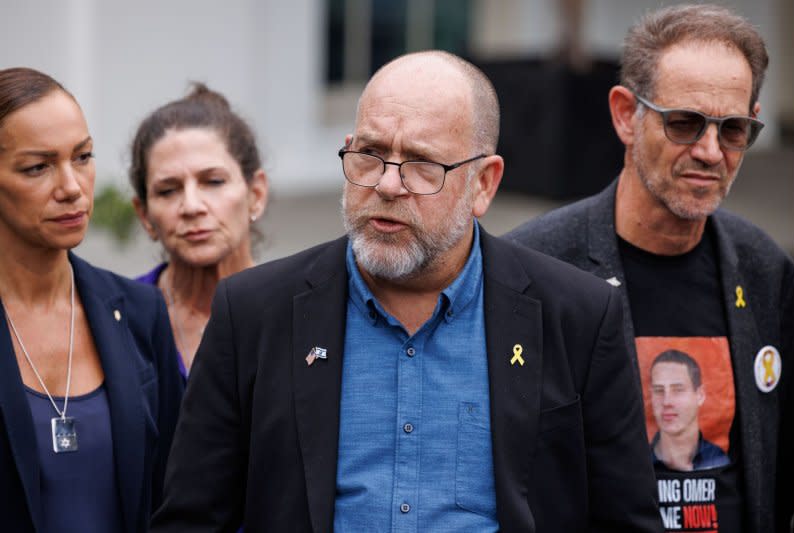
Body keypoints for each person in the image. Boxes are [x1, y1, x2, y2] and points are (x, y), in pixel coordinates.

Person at [151, 50, 661, 532]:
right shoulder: (254, 313)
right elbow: (193, 519)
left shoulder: (577, 316)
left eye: (422, 164)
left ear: (484, 183)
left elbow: (624, 520)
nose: (388, 185)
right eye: (370, 154)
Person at [505, 4, 794, 532]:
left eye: (733, 130)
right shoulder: (531, 269)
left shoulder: (765, 270)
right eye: (685, 123)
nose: (711, 151)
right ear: (625, 115)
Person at [0, 67, 184, 532]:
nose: (72, 187)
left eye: (82, 157)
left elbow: (176, 495)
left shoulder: (140, 313)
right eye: (37, 167)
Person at [130, 84, 268, 377]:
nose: (192, 206)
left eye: (214, 182)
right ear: (144, 214)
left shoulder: (297, 313)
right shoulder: (120, 320)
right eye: (168, 190)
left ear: (256, 194)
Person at [649, 349, 729, 471]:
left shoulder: (721, 462)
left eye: (678, 390)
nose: (666, 402)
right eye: (659, 390)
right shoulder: (638, 462)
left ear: (700, 395)